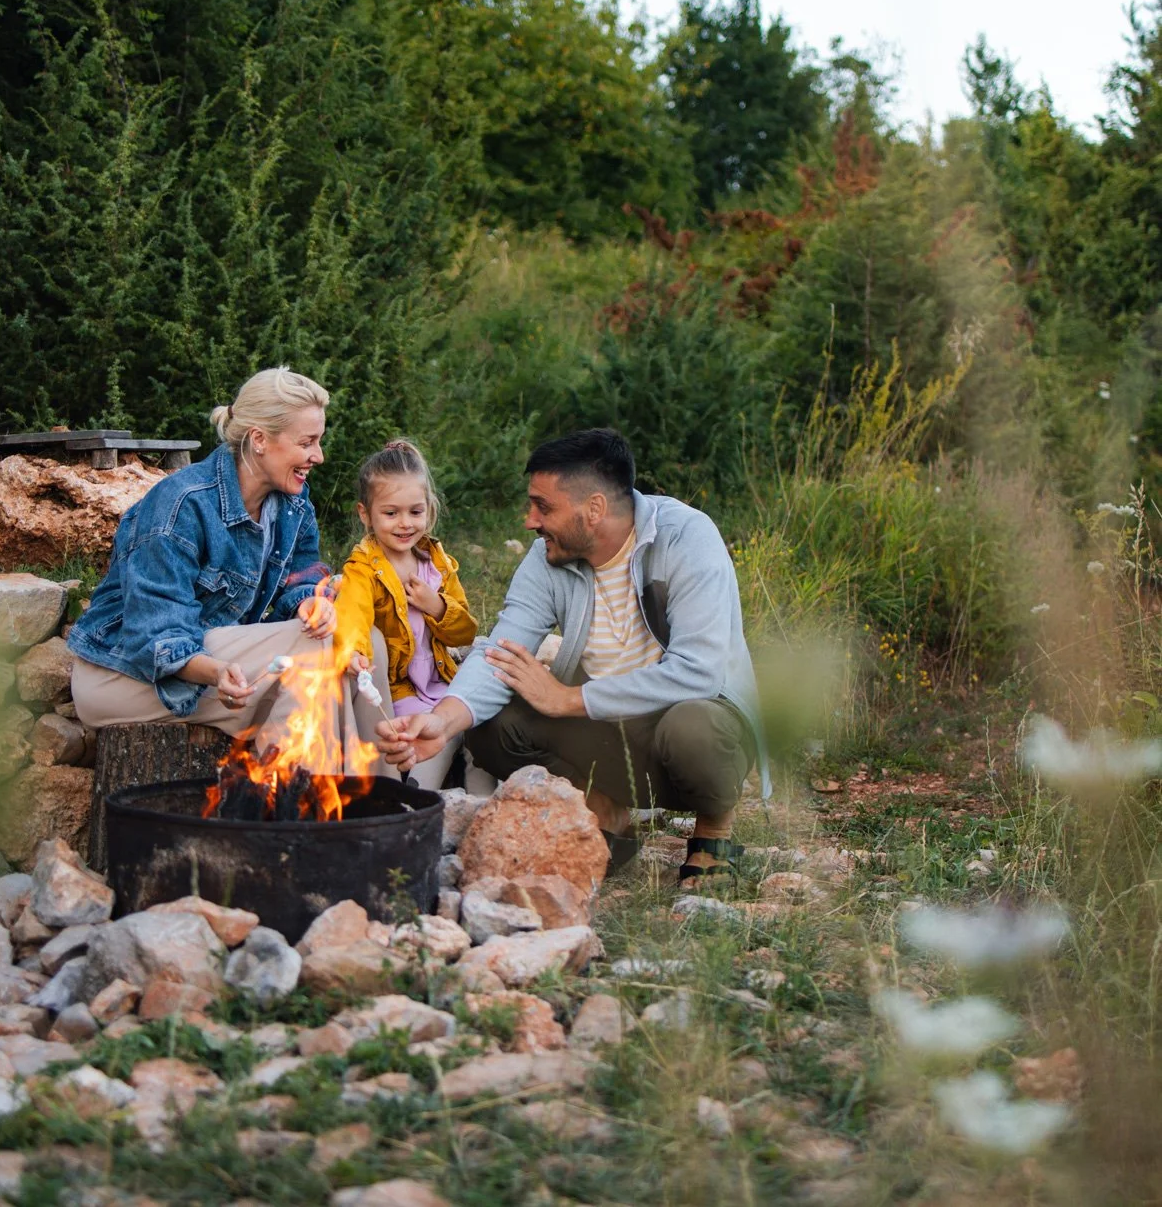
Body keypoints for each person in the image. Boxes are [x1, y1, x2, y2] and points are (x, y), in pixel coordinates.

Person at [377, 428, 770, 886]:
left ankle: (713, 831)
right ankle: (602, 806)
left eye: (543, 506)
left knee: (694, 727)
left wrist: (570, 699)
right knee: (490, 725)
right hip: (609, 736)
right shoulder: (549, 556)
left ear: (595, 509)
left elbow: (699, 671)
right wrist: (442, 723)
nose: (529, 520)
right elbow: (503, 650)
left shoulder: (687, 538)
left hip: (687, 728)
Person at [67, 366, 393, 771]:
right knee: (308, 648)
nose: (318, 456)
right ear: (259, 439)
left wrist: (313, 603)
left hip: (221, 667)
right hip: (127, 677)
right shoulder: (180, 506)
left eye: (319, 441)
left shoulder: (293, 505)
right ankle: (296, 812)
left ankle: (383, 800)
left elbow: (302, 578)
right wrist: (218, 672)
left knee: (364, 640)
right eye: (307, 442)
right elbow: (156, 636)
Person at [333, 440, 478, 789]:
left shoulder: (437, 564)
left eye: (415, 512)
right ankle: (417, 795)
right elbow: (351, 611)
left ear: (428, 509)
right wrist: (354, 651)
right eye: (391, 513)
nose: (404, 524)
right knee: (422, 734)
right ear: (365, 514)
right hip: (401, 689)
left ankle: (481, 803)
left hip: (441, 680)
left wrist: (438, 607)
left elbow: (465, 634)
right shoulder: (365, 568)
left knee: (475, 721)